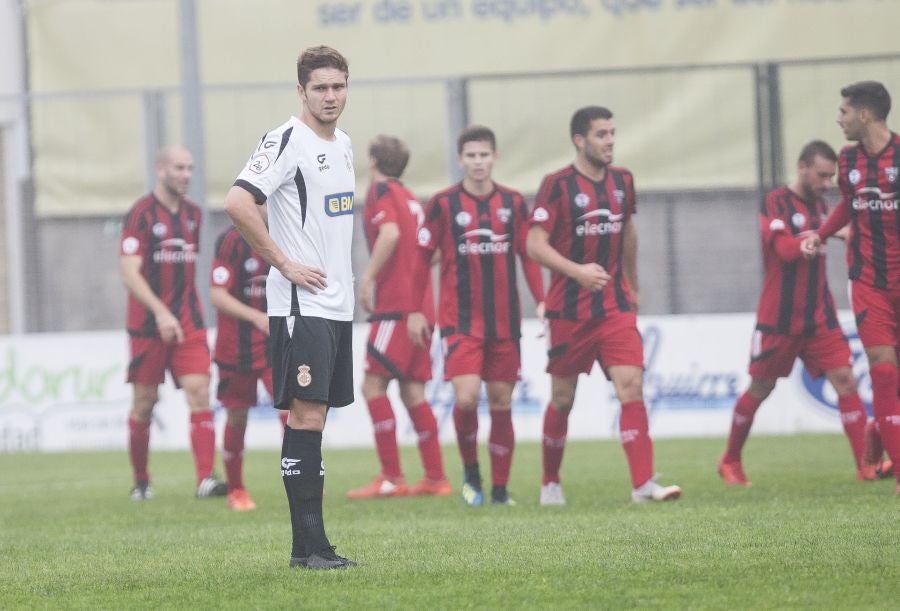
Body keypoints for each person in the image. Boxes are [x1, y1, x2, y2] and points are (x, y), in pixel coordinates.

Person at [223, 45, 357, 569]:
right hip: (302, 305)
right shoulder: (285, 140)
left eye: (338, 86)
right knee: (305, 417)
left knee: (315, 417)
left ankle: (308, 551)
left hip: (336, 306)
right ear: (300, 91)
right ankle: (313, 548)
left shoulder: (343, 143)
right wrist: (284, 263)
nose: (330, 96)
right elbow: (238, 202)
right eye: (320, 87)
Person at [526, 106, 681, 505]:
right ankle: (550, 482)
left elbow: (627, 229)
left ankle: (643, 485)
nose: (610, 140)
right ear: (580, 140)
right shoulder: (557, 184)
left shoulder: (623, 181)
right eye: (601, 134)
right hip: (569, 310)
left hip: (613, 307)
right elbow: (534, 244)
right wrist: (576, 271)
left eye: (612, 133)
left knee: (632, 387)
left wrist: (632, 283)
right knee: (563, 398)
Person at [718, 140, 870, 487]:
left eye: (831, 177)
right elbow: (784, 249)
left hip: (819, 316)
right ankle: (730, 460)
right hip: (778, 319)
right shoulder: (774, 202)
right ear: (802, 167)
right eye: (821, 175)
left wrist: (841, 234)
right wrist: (812, 240)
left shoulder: (822, 206)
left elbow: (832, 231)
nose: (827, 183)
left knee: (846, 380)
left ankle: (866, 466)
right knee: (761, 387)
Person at [408, 125, 545, 507]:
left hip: (505, 322)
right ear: (460, 160)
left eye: (484, 155)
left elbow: (529, 257)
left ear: (494, 158)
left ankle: (500, 491)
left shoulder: (514, 203)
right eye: (471, 156)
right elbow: (420, 261)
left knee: (501, 402)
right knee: (466, 399)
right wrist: (416, 309)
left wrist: (543, 301)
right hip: (460, 322)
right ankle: (471, 475)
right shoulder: (443, 204)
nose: (478, 162)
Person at [801, 81, 900, 494]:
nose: (838, 118)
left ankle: (879, 430)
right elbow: (848, 202)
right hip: (866, 282)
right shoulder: (848, 158)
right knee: (883, 370)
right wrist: (822, 234)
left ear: (864, 114)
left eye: (843, 111)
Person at [345, 135, 451, 499]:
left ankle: (391, 477)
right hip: (422, 306)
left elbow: (388, 233)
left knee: (372, 386)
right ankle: (436, 478)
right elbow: (433, 251)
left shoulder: (380, 194)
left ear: (373, 161)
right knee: (413, 391)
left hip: (396, 307)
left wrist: (370, 278)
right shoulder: (412, 199)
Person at [119, 145, 226, 501]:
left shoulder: (194, 215)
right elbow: (129, 273)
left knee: (199, 393)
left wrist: (175, 313)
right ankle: (142, 481)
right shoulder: (141, 215)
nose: (186, 175)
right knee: (145, 402)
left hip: (188, 322)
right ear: (160, 170)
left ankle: (205, 480)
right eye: (179, 168)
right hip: (147, 326)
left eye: (190, 168)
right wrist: (160, 311)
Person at [211, 225, 289, 511]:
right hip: (236, 347)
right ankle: (236, 490)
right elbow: (217, 295)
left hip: (274, 344)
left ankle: (301, 480)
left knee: (290, 410)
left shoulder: (285, 232)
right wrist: (256, 317)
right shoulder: (231, 240)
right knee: (237, 416)